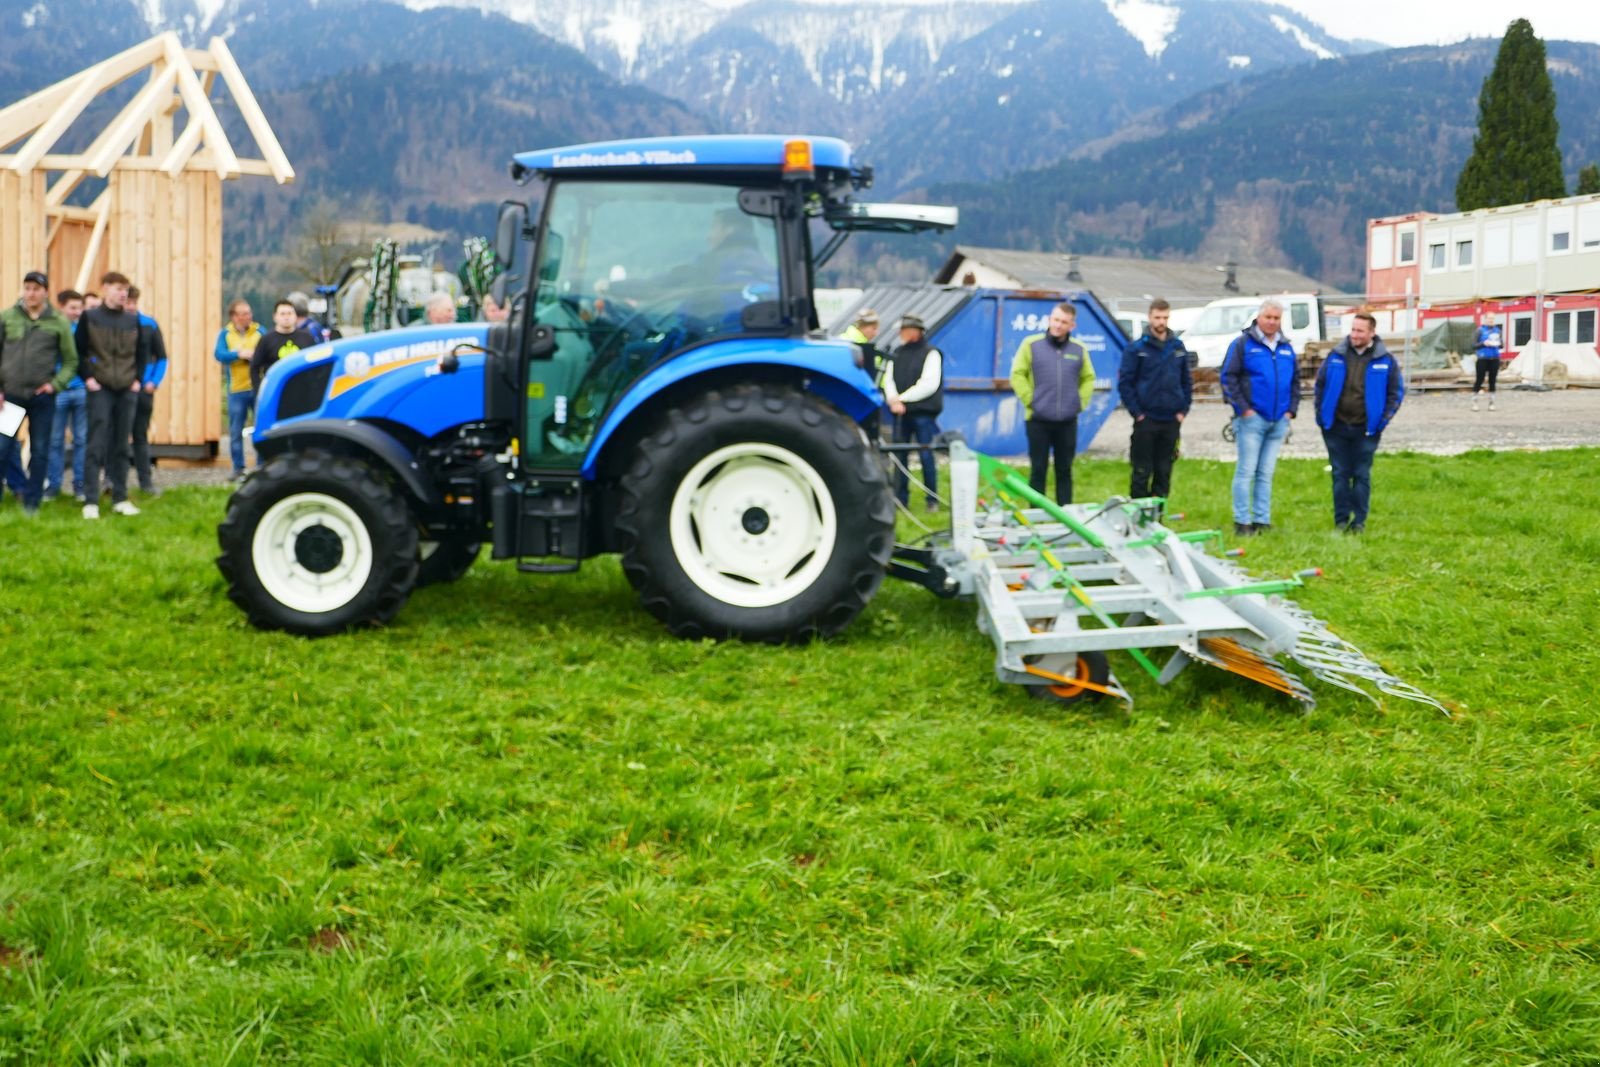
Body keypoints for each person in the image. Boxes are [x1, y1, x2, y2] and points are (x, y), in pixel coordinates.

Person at [1314, 311, 1404, 534]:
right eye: (1352, 330)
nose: (1354, 335)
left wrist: (1382, 421)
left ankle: (1359, 521)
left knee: (1361, 474)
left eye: (1360, 331)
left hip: (1367, 429)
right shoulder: (1336, 356)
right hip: (1336, 427)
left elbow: (1396, 393)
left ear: (1372, 333)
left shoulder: (1385, 360)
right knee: (1340, 474)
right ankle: (1341, 521)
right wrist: (1321, 415)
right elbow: (1320, 386)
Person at [0, 270, 78, 515]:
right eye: (27, 288)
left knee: (41, 449)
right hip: (10, 396)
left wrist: (55, 385)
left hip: (41, 398)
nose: (31, 293)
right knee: (2, 447)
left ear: (45, 292)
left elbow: (70, 361)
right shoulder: (8, 317)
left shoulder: (58, 321)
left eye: (36, 289)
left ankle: (32, 501)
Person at [1220, 298, 1300, 536]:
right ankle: (1242, 521)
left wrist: (1291, 410)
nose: (1272, 322)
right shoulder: (1243, 345)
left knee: (1266, 472)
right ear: (1259, 317)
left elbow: (1295, 381)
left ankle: (1262, 520)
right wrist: (1243, 409)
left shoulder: (1286, 348)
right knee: (1247, 470)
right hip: (1251, 419)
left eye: (1276, 318)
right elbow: (1228, 378)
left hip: (1279, 420)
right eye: (1268, 317)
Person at [1009, 301, 1095, 506]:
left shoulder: (1079, 349)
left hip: (1067, 421)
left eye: (1064, 322)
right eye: (1056, 320)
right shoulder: (1031, 345)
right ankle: (1035, 514)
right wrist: (1031, 401)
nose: (1058, 325)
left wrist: (1079, 403)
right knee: (1038, 470)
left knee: (1064, 470)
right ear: (1049, 320)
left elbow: (1089, 378)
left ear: (1071, 326)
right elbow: (1017, 374)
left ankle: (1066, 515)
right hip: (1037, 420)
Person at [76, 270, 144, 518]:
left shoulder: (132, 320)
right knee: (96, 443)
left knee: (122, 446)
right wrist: (88, 378)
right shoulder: (90, 317)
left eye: (125, 289)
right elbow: (79, 351)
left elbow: (142, 353)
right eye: (117, 288)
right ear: (104, 288)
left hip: (127, 388)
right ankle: (91, 500)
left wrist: (138, 380)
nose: (122, 293)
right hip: (101, 388)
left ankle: (120, 498)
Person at [1117, 298, 1192, 507]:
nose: (1161, 322)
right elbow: (1125, 383)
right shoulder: (1136, 349)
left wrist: (1183, 409)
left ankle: (1157, 518)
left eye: (1165, 317)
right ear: (1150, 318)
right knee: (1141, 471)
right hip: (1146, 419)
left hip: (1171, 419)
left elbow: (1186, 379)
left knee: (1164, 471)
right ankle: (1138, 517)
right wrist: (1137, 413)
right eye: (1157, 317)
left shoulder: (1177, 347)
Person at [884, 313, 944, 511]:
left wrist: (902, 399)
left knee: (926, 456)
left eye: (905, 330)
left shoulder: (931, 353)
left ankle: (932, 499)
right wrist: (893, 399)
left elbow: (928, 384)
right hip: (900, 412)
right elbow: (888, 379)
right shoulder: (897, 352)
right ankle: (901, 499)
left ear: (915, 332)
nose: (902, 334)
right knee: (900, 458)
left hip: (922, 413)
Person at [44, 289, 89, 502]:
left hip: (81, 390)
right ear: (61, 307)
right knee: (55, 441)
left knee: (81, 439)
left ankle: (80, 485)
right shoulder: (53, 328)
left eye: (80, 308)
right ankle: (54, 485)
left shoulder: (83, 330)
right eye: (73, 308)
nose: (77, 312)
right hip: (59, 391)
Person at [124, 285, 168, 496]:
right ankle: (116, 482)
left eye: (134, 302)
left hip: (143, 389)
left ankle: (146, 482)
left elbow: (161, 357)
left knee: (139, 436)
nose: (130, 306)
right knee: (117, 438)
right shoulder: (114, 325)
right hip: (120, 389)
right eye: (127, 302)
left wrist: (154, 382)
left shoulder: (149, 325)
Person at [214, 298, 261, 480]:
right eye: (242, 314)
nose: (246, 317)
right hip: (236, 389)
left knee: (261, 428)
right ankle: (238, 468)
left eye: (248, 313)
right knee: (235, 431)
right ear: (233, 316)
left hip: (257, 387)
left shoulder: (260, 331)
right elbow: (219, 354)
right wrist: (238, 354)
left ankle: (261, 466)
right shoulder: (225, 334)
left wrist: (255, 356)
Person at [251, 299, 316, 394]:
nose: (286, 317)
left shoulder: (307, 338)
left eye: (290, 313)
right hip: (276, 392)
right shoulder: (266, 340)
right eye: (282, 314)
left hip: (303, 393)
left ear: (295, 316)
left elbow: (316, 365)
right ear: (274, 317)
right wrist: (260, 391)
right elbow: (255, 368)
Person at [1472, 319, 1502, 412]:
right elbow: (1473, 345)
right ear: (1485, 320)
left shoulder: (1497, 331)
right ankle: (1475, 402)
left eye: (1493, 319)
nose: (1491, 321)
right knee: (1479, 380)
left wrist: (1498, 343)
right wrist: (1483, 343)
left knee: (1492, 380)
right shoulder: (1479, 330)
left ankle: (1491, 403)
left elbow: (1502, 345)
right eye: (1489, 319)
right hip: (1482, 358)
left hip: (1494, 358)